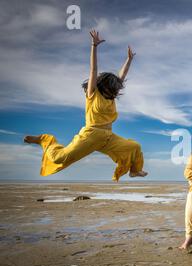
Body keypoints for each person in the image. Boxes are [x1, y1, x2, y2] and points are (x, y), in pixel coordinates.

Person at [24, 30, 147, 181]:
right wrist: (94, 46)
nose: (115, 90)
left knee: (134, 146)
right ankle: (46, 140)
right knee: (58, 158)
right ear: (104, 86)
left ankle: (135, 170)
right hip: (90, 136)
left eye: (116, 89)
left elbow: (121, 78)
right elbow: (93, 70)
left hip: (107, 137)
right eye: (113, 87)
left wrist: (129, 60)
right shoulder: (93, 94)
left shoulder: (111, 97)